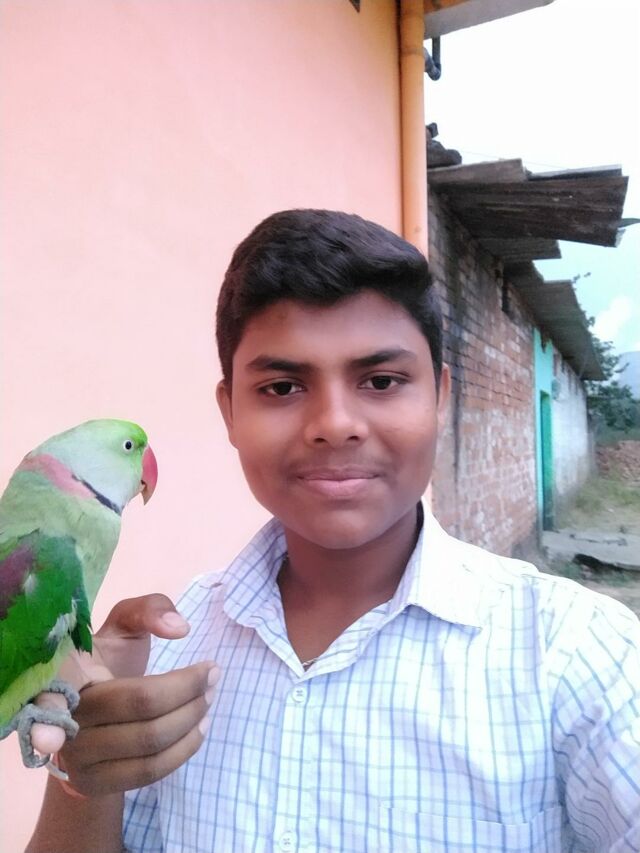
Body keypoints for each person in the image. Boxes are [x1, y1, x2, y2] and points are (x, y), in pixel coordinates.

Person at [26, 210, 640, 853]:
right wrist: (83, 775)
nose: (335, 424)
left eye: (382, 381)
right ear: (230, 412)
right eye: (282, 387)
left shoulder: (572, 655)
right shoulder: (171, 647)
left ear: (439, 397)